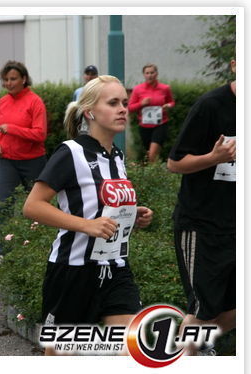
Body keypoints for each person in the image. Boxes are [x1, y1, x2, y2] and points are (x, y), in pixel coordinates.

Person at [22, 75, 153, 356]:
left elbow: (101, 207)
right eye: (113, 102)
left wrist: (133, 216)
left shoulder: (116, 155)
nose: (122, 109)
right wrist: (87, 225)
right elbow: (32, 206)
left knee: (132, 348)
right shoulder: (71, 152)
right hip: (72, 270)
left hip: (115, 268)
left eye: (125, 103)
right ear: (90, 111)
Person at [167, 59, 236, 356]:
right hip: (202, 225)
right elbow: (174, 163)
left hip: (238, 225)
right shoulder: (210, 106)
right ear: (234, 65)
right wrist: (213, 157)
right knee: (200, 310)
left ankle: (198, 345)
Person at [0, 60, 48, 267]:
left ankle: (40, 246)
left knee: (37, 205)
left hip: (33, 161)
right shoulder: (2, 103)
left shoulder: (34, 102)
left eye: (13, 79)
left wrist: (12, 129)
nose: (9, 83)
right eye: (5, 80)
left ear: (24, 79)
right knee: (5, 203)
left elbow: (40, 134)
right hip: (8, 161)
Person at [128, 63, 175, 163]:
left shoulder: (165, 88)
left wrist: (168, 106)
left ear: (156, 74)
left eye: (152, 72)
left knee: (152, 153)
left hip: (160, 124)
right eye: (147, 73)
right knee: (150, 154)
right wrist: (141, 103)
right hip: (144, 125)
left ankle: (152, 174)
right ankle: (156, 172)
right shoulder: (138, 89)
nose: (150, 75)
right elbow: (130, 108)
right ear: (144, 75)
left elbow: (171, 102)